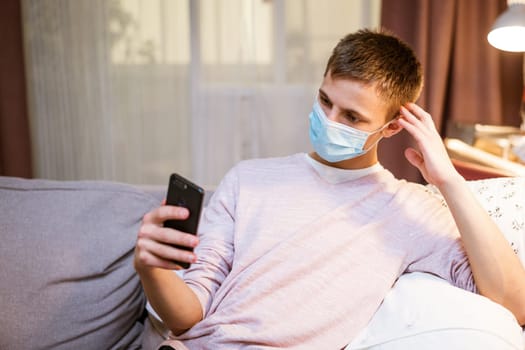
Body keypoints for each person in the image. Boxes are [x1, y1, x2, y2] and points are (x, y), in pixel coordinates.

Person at [134, 28, 525, 349]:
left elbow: (515, 302)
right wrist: (151, 269)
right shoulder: (247, 179)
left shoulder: (408, 208)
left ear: (391, 128)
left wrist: (449, 181)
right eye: (325, 101)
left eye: (352, 117)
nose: (329, 119)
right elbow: (188, 314)